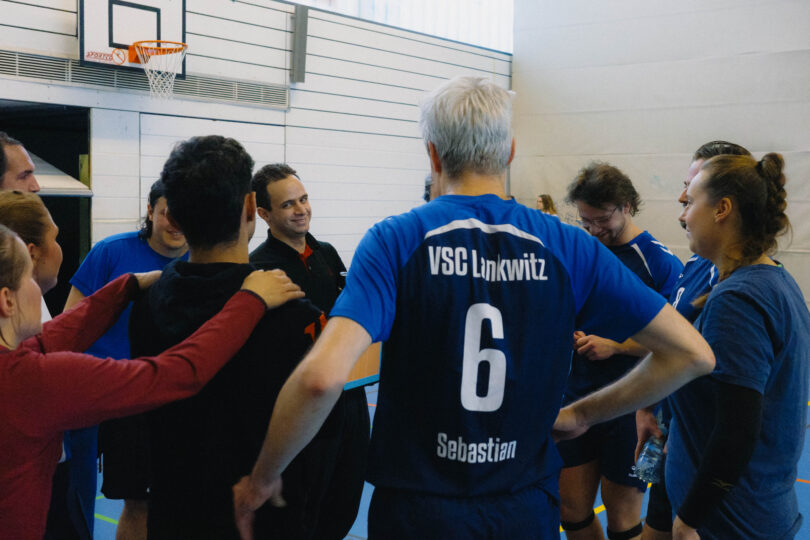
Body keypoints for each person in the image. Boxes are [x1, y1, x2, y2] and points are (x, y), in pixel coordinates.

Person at [232, 75, 714, 540]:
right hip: (522, 506)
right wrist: (583, 415)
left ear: (433, 154)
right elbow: (692, 354)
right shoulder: (568, 246)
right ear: (510, 151)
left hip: (420, 509)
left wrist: (262, 478)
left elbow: (320, 378)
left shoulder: (395, 240)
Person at [0, 219, 305, 540]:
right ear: (7, 300)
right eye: (29, 278)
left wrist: (128, 286)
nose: (36, 288)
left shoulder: (16, 364)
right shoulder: (30, 380)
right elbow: (175, 373)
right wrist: (250, 300)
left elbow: (53, 336)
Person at [127, 135, 334, 539]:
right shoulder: (293, 313)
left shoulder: (147, 301)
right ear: (251, 209)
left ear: (173, 219)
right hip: (261, 518)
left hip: (174, 514)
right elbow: (320, 421)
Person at [660, 153, 809, 539]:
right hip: (751, 512)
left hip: (732, 522)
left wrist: (689, 520)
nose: (683, 216)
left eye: (690, 202)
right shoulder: (774, 280)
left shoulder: (738, 300)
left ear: (721, 209)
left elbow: (737, 431)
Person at [559, 163, 683, 540]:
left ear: (626, 206)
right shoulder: (582, 251)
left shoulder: (659, 262)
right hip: (577, 397)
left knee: (622, 516)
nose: (595, 230)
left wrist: (616, 346)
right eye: (586, 221)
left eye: (602, 219)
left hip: (634, 406)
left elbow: (680, 343)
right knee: (571, 511)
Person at [61, 180, 189, 540]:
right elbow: (70, 321)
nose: (176, 223)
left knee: (148, 500)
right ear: (151, 211)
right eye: (168, 213)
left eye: (185, 214)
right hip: (91, 391)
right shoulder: (110, 252)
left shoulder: (200, 261)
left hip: (152, 397)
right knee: (77, 490)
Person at [249, 163, 369, 539]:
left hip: (350, 401)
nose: (301, 210)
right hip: (303, 407)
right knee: (303, 513)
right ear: (264, 213)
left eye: (303, 199)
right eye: (288, 204)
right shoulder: (259, 269)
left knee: (344, 504)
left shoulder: (327, 255)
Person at [638, 140, 751, 540]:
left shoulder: (741, 293)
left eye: (693, 188)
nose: (682, 199)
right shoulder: (696, 263)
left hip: (706, 462)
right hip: (677, 441)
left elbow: (740, 420)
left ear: (723, 206)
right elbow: (670, 342)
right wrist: (647, 406)